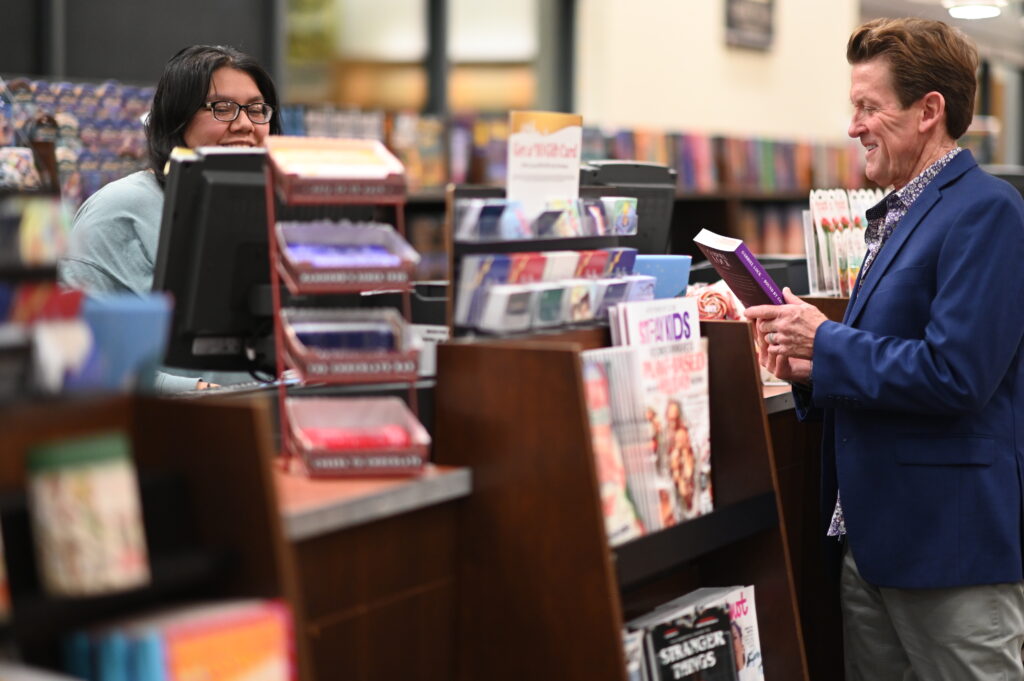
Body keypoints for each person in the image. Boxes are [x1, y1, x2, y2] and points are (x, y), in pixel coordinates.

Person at [745, 17, 1024, 681]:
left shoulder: (988, 212)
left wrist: (828, 342)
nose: (854, 125)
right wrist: (809, 367)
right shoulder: (894, 215)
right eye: (854, 107)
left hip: (949, 550)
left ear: (930, 111)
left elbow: (956, 374)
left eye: (870, 107)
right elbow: (884, 355)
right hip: (868, 547)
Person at [58, 45, 281, 392]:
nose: (244, 125)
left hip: (275, 416)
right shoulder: (118, 209)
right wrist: (198, 391)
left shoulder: (278, 207)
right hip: (175, 427)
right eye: (221, 108)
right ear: (176, 118)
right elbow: (79, 350)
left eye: (256, 109)